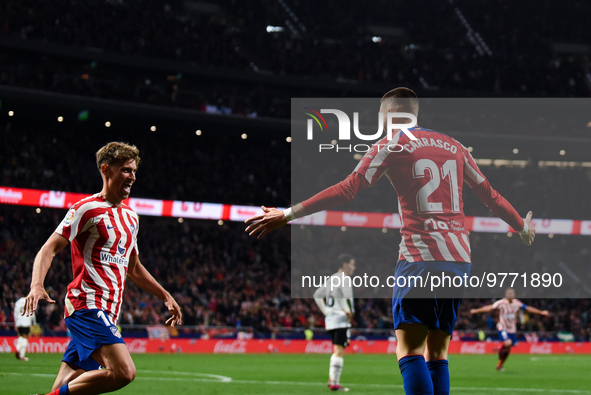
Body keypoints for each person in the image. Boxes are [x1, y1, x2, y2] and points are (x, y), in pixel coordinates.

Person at [245, 87, 536, 395]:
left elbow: (348, 188)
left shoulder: (391, 143)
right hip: (459, 260)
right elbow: (489, 194)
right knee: (437, 352)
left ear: (389, 113)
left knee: (409, 350)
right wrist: (521, 226)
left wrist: (287, 214)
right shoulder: (455, 146)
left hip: (420, 258)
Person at [23, 142, 182, 395]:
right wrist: (36, 285)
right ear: (106, 170)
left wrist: (165, 295)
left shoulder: (132, 218)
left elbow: (134, 268)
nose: (133, 176)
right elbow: (49, 248)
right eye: (126, 170)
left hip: (109, 312)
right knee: (124, 372)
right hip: (87, 305)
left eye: (134, 171)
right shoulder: (85, 209)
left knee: (64, 385)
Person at [470, 288, 549, 371]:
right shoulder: (502, 303)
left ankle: (500, 364)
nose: (511, 295)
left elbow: (528, 308)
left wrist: (541, 312)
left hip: (512, 329)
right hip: (502, 327)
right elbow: (490, 307)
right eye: (509, 293)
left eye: (512, 293)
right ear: (506, 295)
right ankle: (500, 351)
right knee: (508, 343)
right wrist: (476, 310)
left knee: (509, 348)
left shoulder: (517, 303)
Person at [314, 253, 356, 392]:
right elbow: (348, 298)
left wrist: (326, 311)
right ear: (345, 265)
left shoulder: (331, 279)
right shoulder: (344, 279)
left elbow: (317, 295)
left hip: (331, 319)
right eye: (352, 264)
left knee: (337, 349)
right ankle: (334, 383)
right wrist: (350, 311)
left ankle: (332, 379)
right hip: (340, 319)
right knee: (339, 351)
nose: (353, 268)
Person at [14, 292, 36, 361]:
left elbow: (15, 313)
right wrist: (34, 322)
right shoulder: (29, 301)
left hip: (19, 322)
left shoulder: (17, 302)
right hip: (26, 322)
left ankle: (18, 351)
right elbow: (32, 312)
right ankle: (21, 353)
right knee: (25, 338)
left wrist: (16, 323)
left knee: (20, 337)